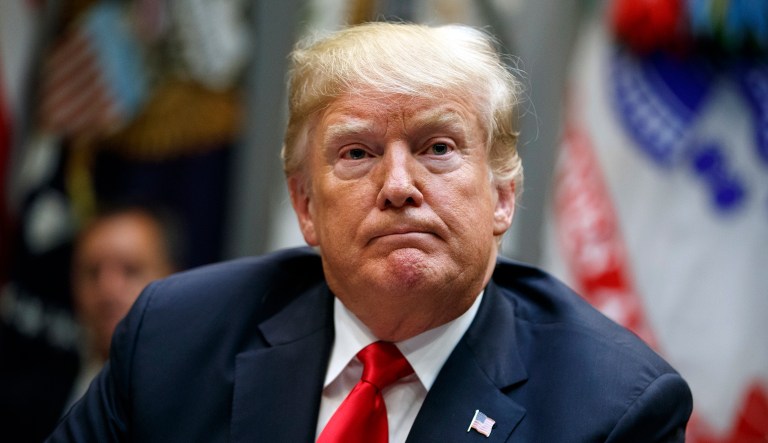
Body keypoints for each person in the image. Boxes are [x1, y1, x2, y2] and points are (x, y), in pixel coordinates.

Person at [47, 22, 692, 442]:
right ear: (304, 205)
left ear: (502, 197)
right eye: (356, 153)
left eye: (438, 147)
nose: (398, 185)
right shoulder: (174, 339)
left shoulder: (615, 412)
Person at [66, 205, 178, 409]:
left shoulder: (196, 399)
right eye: (92, 272)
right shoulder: (30, 390)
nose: (107, 290)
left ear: (173, 278)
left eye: (130, 270)